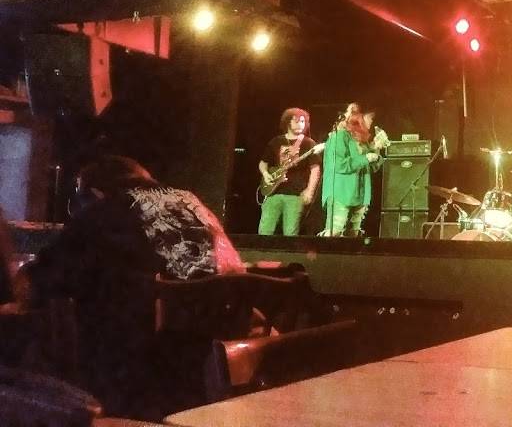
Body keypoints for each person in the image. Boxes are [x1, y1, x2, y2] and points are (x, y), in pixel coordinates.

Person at [25, 155, 244, 419]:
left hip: (137, 382)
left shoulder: (106, 210)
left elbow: (40, 279)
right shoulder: (192, 202)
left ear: (94, 193)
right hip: (213, 374)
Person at [320, 103, 386, 237]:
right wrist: (366, 158)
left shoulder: (362, 140)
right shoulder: (340, 135)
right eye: (370, 118)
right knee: (335, 233)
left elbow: (373, 167)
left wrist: (376, 147)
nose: (372, 122)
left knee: (354, 235)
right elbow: (339, 164)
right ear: (358, 117)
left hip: (360, 195)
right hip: (341, 193)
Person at [258, 108, 322, 236]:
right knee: (265, 231)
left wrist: (310, 191)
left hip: (295, 195)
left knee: (291, 233)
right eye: (296, 121)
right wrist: (266, 174)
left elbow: (315, 169)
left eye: (303, 122)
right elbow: (263, 163)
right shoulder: (276, 142)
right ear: (288, 122)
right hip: (273, 193)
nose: (300, 124)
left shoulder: (308, 143)